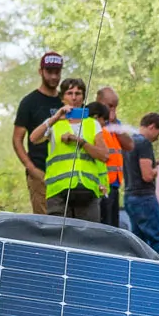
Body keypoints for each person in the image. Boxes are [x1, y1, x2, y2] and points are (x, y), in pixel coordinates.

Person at [26, 77, 108, 220]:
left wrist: (79, 141)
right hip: (58, 193)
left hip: (86, 191)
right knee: (58, 239)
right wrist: (55, 117)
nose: (74, 97)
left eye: (78, 93)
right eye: (70, 93)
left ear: (83, 97)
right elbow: (33, 138)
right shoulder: (54, 123)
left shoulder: (92, 124)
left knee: (87, 239)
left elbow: (104, 155)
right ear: (62, 97)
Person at [11, 51, 67, 214]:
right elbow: (17, 139)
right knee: (44, 223)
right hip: (40, 170)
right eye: (49, 72)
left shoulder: (65, 101)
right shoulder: (29, 102)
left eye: (57, 72)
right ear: (40, 71)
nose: (54, 77)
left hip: (64, 172)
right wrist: (31, 168)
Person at [124, 113, 159, 255]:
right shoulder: (144, 143)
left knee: (138, 242)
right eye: (158, 134)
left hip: (130, 197)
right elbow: (147, 176)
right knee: (158, 241)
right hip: (144, 198)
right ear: (152, 126)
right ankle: (157, 273)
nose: (157, 138)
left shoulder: (129, 142)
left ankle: (138, 273)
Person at [94, 86, 126, 226]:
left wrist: (114, 124)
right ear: (100, 102)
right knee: (104, 226)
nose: (113, 111)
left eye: (115, 107)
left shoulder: (115, 125)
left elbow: (128, 144)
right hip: (101, 184)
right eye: (110, 106)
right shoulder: (95, 122)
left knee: (114, 226)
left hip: (115, 184)